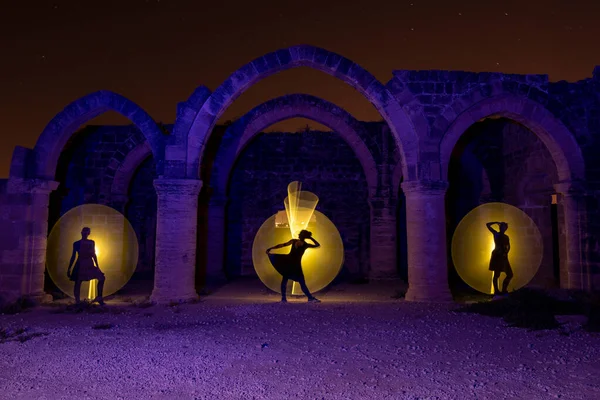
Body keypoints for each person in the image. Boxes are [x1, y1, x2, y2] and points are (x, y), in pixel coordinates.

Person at [266, 230, 321, 303]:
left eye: (300, 234)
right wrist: (272, 248)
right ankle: (309, 298)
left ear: (303, 236)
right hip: (292, 263)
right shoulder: (301, 243)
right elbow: (283, 245)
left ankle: (284, 299)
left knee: (289, 280)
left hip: (291, 263)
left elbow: (317, 245)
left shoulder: (304, 244)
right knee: (297, 281)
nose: (298, 235)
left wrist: (310, 238)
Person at [67, 227, 106, 305]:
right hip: (80, 263)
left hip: (89, 263)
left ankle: (99, 297)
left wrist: (98, 267)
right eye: (84, 232)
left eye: (87, 232)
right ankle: (77, 300)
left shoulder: (91, 242)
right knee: (78, 282)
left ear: (88, 234)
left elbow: (93, 254)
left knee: (101, 278)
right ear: (81, 233)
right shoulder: (76, 243)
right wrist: (69, 268)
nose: (85, 234)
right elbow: (73, 256)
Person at [486, 221, 514, 295]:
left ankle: (504, 290)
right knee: (496, 274)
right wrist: (495, 222)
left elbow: (509, 246)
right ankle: (497, 291)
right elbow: (487, 225)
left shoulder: (506, 237)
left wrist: (506, 253)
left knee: (510, 274)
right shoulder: (496, 234)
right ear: (500, 227)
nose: (503, 228)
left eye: (504, 227)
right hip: (497, 256)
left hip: (503, 256)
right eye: (502, 227)